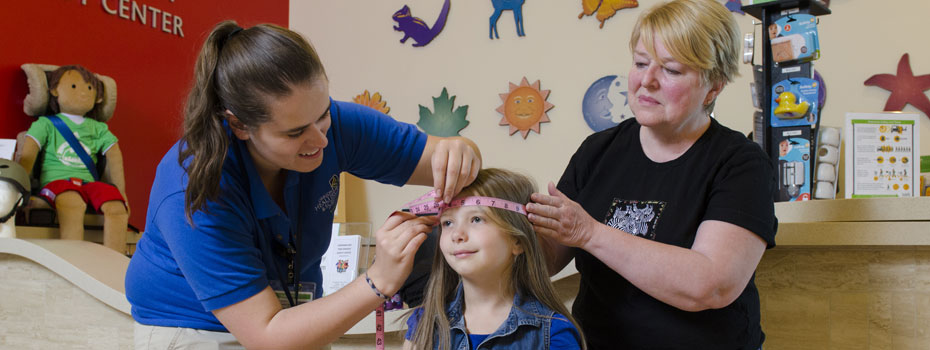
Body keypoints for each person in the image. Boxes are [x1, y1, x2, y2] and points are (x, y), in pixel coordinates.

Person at [125, 21, 482, 349]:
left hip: (291, 314)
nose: (321, 141)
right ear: (239, 125)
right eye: (295, 132)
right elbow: (267, 335)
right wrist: (378, 281)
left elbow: (445, 160)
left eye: (323, 114)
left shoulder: (336, 126)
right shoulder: (194, 188)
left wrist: (462, 152)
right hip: (195, 326)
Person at [526, 0, 777, 349]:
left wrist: (589, 232)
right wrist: (484, 224)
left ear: (714, 86)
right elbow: (549, 257)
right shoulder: (597, 151)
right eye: (641, 63)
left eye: (671, 70)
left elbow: (710, 284)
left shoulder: (741, 164)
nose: (647, 81)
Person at [403, 168, 584, 350]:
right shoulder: (424, 323)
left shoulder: (554, 334)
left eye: (476, 219)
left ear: (518, 241)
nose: (457, 234)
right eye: (448, 223)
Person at [17, 65, 129, 253]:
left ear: (99, 96)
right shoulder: (46, 124)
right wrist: (21, 188)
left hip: (88, 184)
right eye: (74, 87)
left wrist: (122, 193)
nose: (84, 93)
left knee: (116, 206)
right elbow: (29, 154)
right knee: (72, 202)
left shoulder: (98, 128)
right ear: (54, 90)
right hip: (58, 182)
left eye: (89, 88)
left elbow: (114, 156)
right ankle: (72, 257)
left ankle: (114, 261)